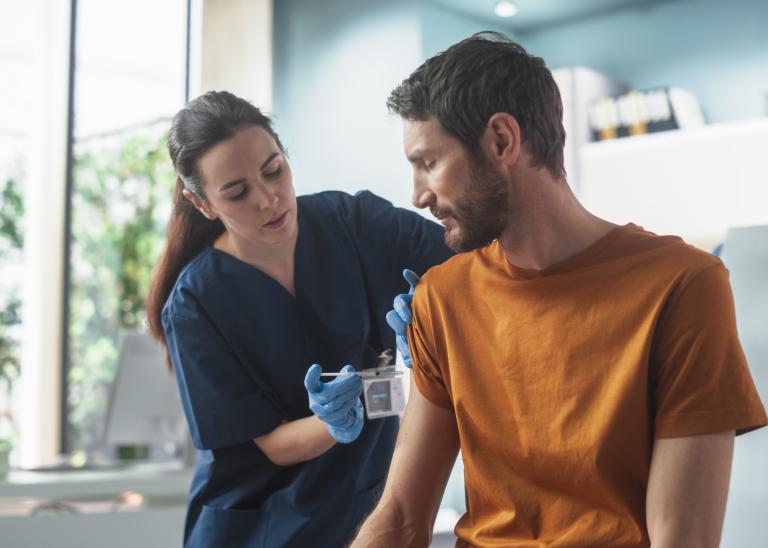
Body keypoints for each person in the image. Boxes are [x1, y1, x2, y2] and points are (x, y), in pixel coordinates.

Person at [352, 32, 768, 547]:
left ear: (502, 140)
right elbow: (399, 518)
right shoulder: (442, 298)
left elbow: (681, 539)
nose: (417, 195)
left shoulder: (681, 287)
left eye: (429, 162)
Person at [145, 90, 452, 547]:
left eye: (274, 170)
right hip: (256, 529)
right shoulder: (195, 303)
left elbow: (468, 258)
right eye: (237, 192)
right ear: (203, 205)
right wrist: (333, 422)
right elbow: (271, 442)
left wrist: (438, 307)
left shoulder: (353, 223)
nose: (269, 199)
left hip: (360, 511)